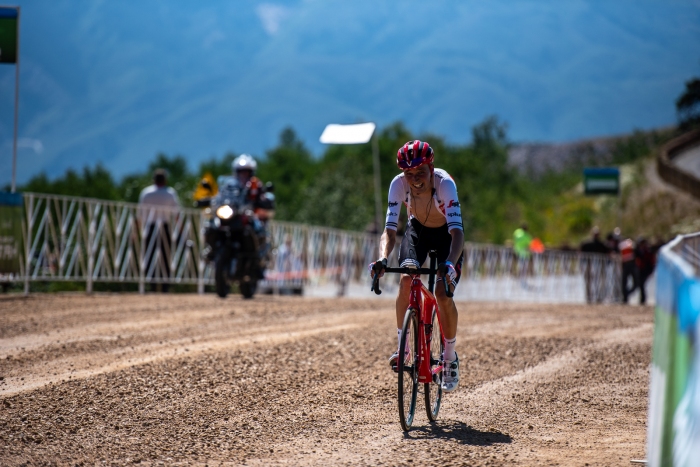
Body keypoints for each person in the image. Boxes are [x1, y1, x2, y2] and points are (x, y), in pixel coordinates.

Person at [369, 140, 464, 393]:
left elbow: (457, 234)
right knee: (406, 278)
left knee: (443, 294)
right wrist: (382, 259)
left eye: (420, 172)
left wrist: (449, 265)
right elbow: (389, 232)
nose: (415, 179)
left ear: (431, 167)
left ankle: (449, 356)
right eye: (409, 174)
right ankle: (403, 348)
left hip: (447, 237)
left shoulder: (445, 184)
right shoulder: (397, 185)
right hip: (418, 233)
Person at [138, 169, 180, 292]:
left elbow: (140, 214)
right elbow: (177, 214)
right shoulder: (170, 193)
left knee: (149, 255)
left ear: (154, 179)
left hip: (150, 227)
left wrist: (137, 231)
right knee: (166, 256)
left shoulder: (146, 193)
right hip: (165, 227)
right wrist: (181, 230)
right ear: (165, 180)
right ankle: (165, 285)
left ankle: (152, 284)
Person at [580, 226, 610, 303]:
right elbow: (581, 254)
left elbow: (608, 254)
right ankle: (589, 297)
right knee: (589, 282)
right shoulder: (587, 244)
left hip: (600, 265)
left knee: (599, 281)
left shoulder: (602, 245)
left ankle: (599, 296)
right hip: (589, 265)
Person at [635, 237, 655, 305]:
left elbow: (652, 262)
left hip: (646, 270)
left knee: (642, 284)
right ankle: (642, 299)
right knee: (640, 284)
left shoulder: (648, 251)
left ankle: (643, 299)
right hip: (640, 270)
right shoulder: (637, 251)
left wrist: (651, 270)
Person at [619, 236, 638, 304]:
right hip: (626, 265)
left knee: (635, 283)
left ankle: (626, 295)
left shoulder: (628, 244)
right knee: (625, 283)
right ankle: (625, 297)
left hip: (631, 265)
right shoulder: (625, 245)